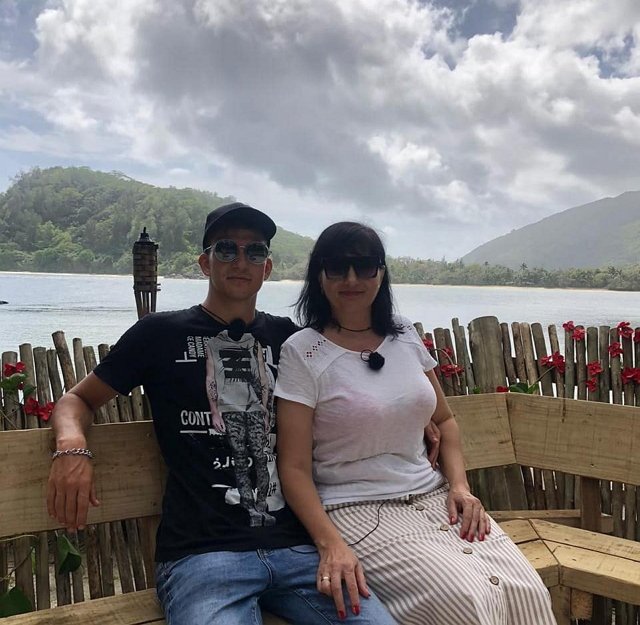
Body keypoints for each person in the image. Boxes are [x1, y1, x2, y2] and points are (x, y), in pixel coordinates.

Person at [46, 204, 396, 625]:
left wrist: (427, 421)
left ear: (267, 268)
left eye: (254, 252)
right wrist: (71, 447)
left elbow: (358, 387)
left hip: (299, 550)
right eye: (227, 249)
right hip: (204, 556)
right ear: (204, 262)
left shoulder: (291, 339)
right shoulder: (159, 334)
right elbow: (76, 400)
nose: (240, 261)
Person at [274, 221, 557, 625]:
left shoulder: (403, 334)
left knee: (524, 590)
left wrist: (459, 486)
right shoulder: (302, 352)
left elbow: (445, 420)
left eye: (364, 266)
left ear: (381, 273)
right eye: (337, 267)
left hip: (435, 497)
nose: (351, 279)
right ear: (319, 275)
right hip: (357, 508)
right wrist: (329, 544)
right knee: (464, 601)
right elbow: (294, 467)